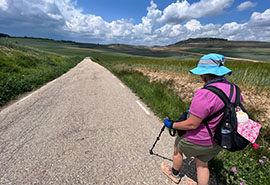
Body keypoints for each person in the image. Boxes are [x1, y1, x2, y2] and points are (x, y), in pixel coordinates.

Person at [161, 53, 240, 185]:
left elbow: (192, 124)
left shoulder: (204, 93)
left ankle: (174, 174)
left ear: (205, 75)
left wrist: (172, 125)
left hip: (197, 140)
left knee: (177, 149)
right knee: (203, 164)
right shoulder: (234, 90)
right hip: (219, 140)